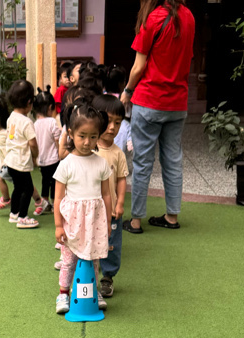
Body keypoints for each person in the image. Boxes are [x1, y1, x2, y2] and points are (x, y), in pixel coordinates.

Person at [120, 0, 195, 234]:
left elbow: (138, 67)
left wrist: (127, 91)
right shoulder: (189, 17)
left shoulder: (152, 19)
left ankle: (135, 221)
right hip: (177, 102)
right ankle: (171, 216)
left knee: (142, 162)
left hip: (149, 100)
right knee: (172, 160)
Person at [53, 103, 112, 315]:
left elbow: (106, 194)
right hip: (72, 223)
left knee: (93, 260)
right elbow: (58, 197)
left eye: (93, 136)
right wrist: (58, 226)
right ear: (71, 134)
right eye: (82, 136)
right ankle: (63, 293)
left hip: (94, 221)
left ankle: (93, 292)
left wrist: (108, 222)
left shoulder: (101, 163)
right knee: (69, 261)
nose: (87, 142)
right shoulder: (66, 164)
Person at [92, 95, 128, 300]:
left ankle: (107, 277)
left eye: (118, 122)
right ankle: (87, 275)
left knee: (111, 245)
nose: (112, 127)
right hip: (89, 209)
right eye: (108, 121)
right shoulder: (88, 150)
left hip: (111, 211)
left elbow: (121, 179)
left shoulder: (118, 153)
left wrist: (120, 203)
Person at [5, 79, 40, 229]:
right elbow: (33, 143)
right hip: (21, 162)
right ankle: (23, 217)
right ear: (29, 102)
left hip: (11, 161)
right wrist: (35, 155)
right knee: (28, 189)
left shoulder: (11, 117)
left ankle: (14, 213)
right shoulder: (26, 122)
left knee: (18, 188)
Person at [33, 88, 62, 214]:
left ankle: (44, 203)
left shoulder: (35, 124)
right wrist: (61, 154)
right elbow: (57, 140)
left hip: (42, 160)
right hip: (54, 159)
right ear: (50, 107)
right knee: (54, 182)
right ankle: (55, 203)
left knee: (45, 181)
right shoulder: (52, 122)